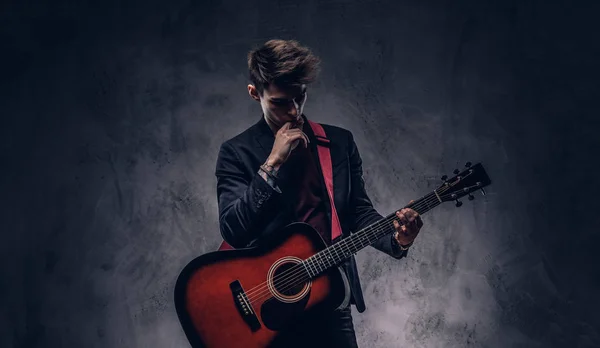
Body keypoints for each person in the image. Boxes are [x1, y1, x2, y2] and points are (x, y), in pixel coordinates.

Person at [215, 39, 423, 347]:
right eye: (280, 102)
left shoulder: (338, 143)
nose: (294, 111)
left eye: (300, 98)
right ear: (254, 93)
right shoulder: (235, 152)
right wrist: (272, 163)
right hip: (267, 308)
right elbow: (233, 229)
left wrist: (397, 239)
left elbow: (356, 213)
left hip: (330, 296)